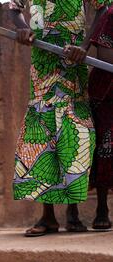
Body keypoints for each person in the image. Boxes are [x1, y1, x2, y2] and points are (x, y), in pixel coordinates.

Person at [9, 0, 110, 236]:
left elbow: (104, 8)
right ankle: (48, 216)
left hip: (74, 63)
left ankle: (73, 213)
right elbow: (13, 7)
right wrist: (22, 28)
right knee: (43, 135)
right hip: (42, 66)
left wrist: (85, 46)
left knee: (74, 134)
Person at [88, 5, 113, 230]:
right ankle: (102, 208)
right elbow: (104, 53)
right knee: (104, 149)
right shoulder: (111, 13)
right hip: (106, 93)